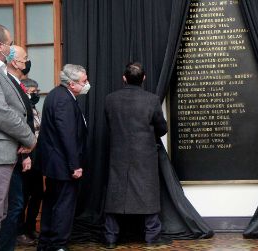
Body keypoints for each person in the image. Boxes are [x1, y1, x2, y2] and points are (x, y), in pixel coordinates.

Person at [104, 63, 169, 248]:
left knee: (115, 195)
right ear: (144, 78)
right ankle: (151, 238)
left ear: (124, 78)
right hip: (145, 156)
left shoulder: (110, 99)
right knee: (147, 195)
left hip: (118, 154)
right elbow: (162, 129)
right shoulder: (152, 100)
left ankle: (110, 238)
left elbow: (109, 125)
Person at [36, 64, 88, 251]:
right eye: (83, 81)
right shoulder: (64, 100)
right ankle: (58, 245)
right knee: (63, 206)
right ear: (72, 84)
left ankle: (46, 243)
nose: (87, 84)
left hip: (54, 164)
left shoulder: (57, 94)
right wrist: (75, 165)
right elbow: (67, 135)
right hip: (63, 165)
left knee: (52, 203)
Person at [0, 24, 36, 249]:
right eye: (9, 44)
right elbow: (1, 112)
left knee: (3, 212)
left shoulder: (1, 72)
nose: (11, 49)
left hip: (8, 152)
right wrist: (30, 138)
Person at [17, 78, 43, 244]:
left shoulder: (34, 108)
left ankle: (30, 227)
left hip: (37, 156)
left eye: (37, 91)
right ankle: (19, 232)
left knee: (38, 194)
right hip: (25, 156)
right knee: (23, 197)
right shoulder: (21, 109)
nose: (36, 94)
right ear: (24, 91)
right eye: (33, 92)